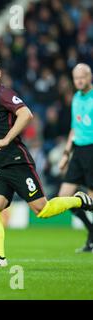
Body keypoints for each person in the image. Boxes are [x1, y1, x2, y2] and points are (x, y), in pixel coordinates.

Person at [0, 55, 93, 267]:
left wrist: (6, 140)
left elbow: (26, 114)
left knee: (43, 210)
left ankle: (78, 200)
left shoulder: (4, 94)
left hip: (16, 162)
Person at [58, 63, 93, 253]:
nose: (79, 80)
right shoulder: (76, 98)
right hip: (78, 151)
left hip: (92, 150)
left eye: (82, 76)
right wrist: (66, 154)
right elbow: (74, 128)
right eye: (76, 77)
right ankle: (91, 229)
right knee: (64, 197)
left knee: (92, 200)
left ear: (90, 77)